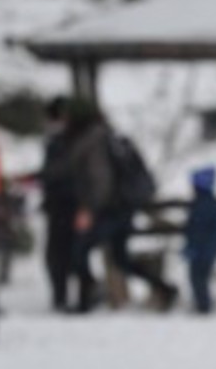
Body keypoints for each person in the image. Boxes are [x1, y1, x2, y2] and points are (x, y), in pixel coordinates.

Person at [64, 101, 178, 313]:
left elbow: (100, 180)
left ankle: (88, 297)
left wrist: (89, 208)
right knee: (119, 257)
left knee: (80, 251)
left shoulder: (93, 141)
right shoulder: (110, 138)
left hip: (109, 209)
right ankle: (163, 287)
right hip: (122, 207)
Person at [40, 96, 78, 310]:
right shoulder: (62, 139)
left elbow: (58, 173)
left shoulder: (62, 140)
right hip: (63, 203)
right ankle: (63, 296)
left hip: (65, 204)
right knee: (62, 254)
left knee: (59, 255)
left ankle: (63, 297)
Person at [182, 165, 216, 314]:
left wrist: (193, 246)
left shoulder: (202, 205)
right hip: (208, 248)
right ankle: (202, 303)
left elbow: (197, 229)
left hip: (202, 249)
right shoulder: (211, 203)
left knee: (197, 278)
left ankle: (203, 305)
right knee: (200, 278)